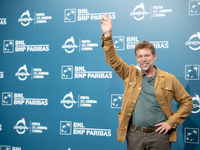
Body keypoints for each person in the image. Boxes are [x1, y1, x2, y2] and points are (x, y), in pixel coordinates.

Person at [100, 14, 193, 150]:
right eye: (140, 56)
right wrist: (107, 34)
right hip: (135, 135)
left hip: (159, 136)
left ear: (154, 56)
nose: (143, 59)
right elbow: (112, 59)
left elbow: (188, 102)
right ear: (136, 58)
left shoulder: (169, 78)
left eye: (147, 55)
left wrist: (171, 122)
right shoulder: (130, 74)